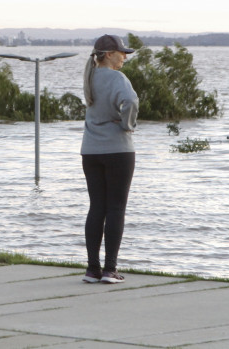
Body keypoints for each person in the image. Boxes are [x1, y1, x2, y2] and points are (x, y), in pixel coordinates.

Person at [80, 34, 139, 284]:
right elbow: (131, 101)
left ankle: (92, 269)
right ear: (107, 54)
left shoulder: (89, 77)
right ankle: (110, 269)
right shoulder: (117, 78)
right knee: (116, 208)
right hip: (118, 149)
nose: (124, 57)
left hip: (90, 150)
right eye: (121, 52)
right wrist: (127, 125)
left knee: (96, 208)